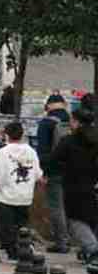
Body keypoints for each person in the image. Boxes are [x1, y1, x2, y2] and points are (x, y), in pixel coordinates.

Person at [47, 104, 98, 260]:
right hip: (93, 184)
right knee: (92, 217)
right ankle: (87, 250)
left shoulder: (69, 141)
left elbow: (53, 161)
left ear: (76, 122)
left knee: (76, 219)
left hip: (74, 185)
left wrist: (55, 172)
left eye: (71, 121)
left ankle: (92, 249)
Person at [0, 117, 42, 261]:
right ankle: (25, 248)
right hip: (25, 195)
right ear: (22, 134)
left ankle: (12, 252)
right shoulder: (31, 151)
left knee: (7, 226)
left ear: (6, 135)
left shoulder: (3, 153)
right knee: (22, 225)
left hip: (6, 196)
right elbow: (37, 174)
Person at [35, 93, 72, 252]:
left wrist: (43, 173)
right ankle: (72, 238)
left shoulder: (46, 123)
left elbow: (42, 151)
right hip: (74, 170)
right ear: (63, 104)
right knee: (70, 205)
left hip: (54, 170)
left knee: (56, 206)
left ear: (48, 106)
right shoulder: (73, 121)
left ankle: (62, 242)